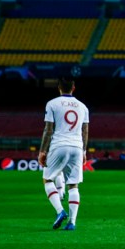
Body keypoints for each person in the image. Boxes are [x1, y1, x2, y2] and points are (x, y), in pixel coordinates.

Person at [38, 77, 89, 231]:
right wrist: (84, 151)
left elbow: (48, 129)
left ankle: (60, 211)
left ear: (58, 87)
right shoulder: (83, 107)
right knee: (73, 185)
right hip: (77, 146)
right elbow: (85, 131)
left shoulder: (52, 104)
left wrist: (42, 151)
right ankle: (72, 223)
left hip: (59, 144)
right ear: (74, 88)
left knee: (47, 180)